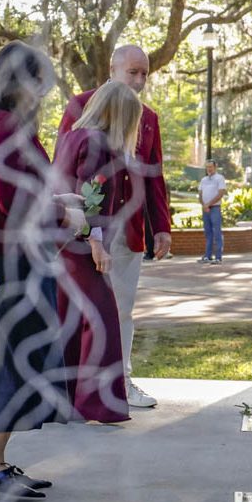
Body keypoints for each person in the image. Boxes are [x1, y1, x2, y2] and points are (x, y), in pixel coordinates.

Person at [0, 40, 85, 498]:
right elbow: (19, 201)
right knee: (12, 355)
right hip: (6, 261)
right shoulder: (5, 125)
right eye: (39, 83)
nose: (43, 93)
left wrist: (59, 200)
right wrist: (67, 217)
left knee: (5, 355)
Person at [58, 45, 170, 409]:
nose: (138, 80)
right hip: (81, 228)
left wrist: (162, 226)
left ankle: (120, 382)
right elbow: (62, 167)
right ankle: (68, 388)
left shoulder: (148, 117)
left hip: (128, 229)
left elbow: (154, 177)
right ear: (112, 69)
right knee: (74, 307)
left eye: (144, 74)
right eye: (132, 72)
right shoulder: (81, 105)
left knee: (121, 308)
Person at [54, 81, 143, 423]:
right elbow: (88, 194)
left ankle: (66, 400)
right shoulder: (95, 142)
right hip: (80, 241)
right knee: (101, 319)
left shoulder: (72, 136)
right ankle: (98, 403)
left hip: (61, 241)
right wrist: (96, 243)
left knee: (70, 319)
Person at [197, 159, 227, 264]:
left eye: (211, 167)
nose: (209, 169)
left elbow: (220, 193)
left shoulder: (220, 178)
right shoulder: (203, 180)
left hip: (215, 208)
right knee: (208, 233)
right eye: (207, 167)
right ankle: (207, 256)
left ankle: (218, 257)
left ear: (215, 167)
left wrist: (208, 204)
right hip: (205, 209)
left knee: (217, 232)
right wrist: (203, 205)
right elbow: (200, 194)